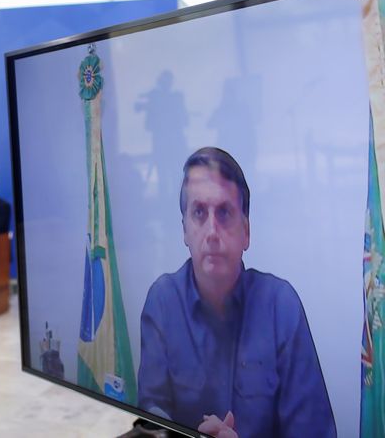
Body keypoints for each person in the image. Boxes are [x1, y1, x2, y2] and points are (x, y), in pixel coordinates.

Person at [137, 147, 335, 438]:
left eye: (225, 213)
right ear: (185, 230)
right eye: (199, 213)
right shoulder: (163, 302)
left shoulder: (282, 307)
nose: (212, 231)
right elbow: (150, 417)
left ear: (246, 231)